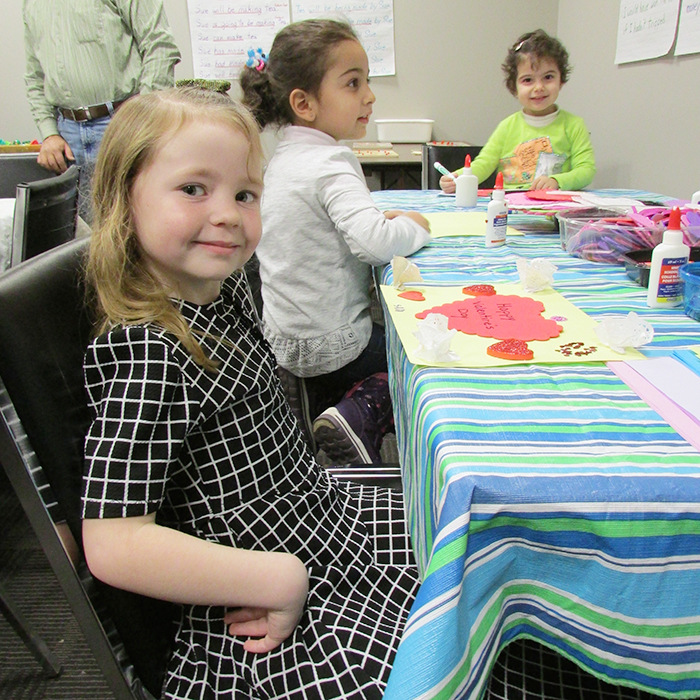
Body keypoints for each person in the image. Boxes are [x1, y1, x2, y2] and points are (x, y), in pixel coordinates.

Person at [80, 86, 420, 700]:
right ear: (122, 201)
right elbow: (113, 542)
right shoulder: (147, 351)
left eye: (245, 194)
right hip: (256, 599)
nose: (229, 213)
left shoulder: (223, 291)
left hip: (312, 527)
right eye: (193, 189)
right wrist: (277, 579)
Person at [240, 19, 431, 464]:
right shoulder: (331, 160)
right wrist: (418, 226)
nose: (370, 95)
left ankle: (318, 432)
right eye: (353, 83)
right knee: (418, 357)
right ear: (304, 103)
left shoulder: (282, 159)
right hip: (340, 344)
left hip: (287, 344)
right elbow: (375, 244)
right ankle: (361, 413)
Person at [23, 0, 180, 214]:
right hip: (67, 138)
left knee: (134, 227)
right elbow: (35, 74)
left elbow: (160, 46)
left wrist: (144, 120)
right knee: (79, 238)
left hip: (122, 124)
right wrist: (49, 133)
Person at [441, 29, 595, 193]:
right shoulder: (506, 127)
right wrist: (461, 177)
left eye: (548, 77)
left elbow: (586, 170)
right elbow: (484, 163)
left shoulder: (573, 125)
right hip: (510, 208)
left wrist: (557, 181)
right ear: (514, 88)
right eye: (528, 80)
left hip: (554, 210)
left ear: (561, 81)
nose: (539, 87)